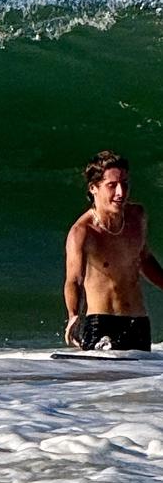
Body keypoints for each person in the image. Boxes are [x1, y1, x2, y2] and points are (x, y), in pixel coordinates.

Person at [64, 150, 163, 351]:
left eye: (124, 184)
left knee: (140, 384)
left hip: (139, 323)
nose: (121, 192)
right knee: (102, 382)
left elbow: (143, 258)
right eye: (112, 185)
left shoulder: (137, 216)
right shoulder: (83, 231)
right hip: (102, 324)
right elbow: (74, 279)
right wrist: (73, 314)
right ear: (93, 188)